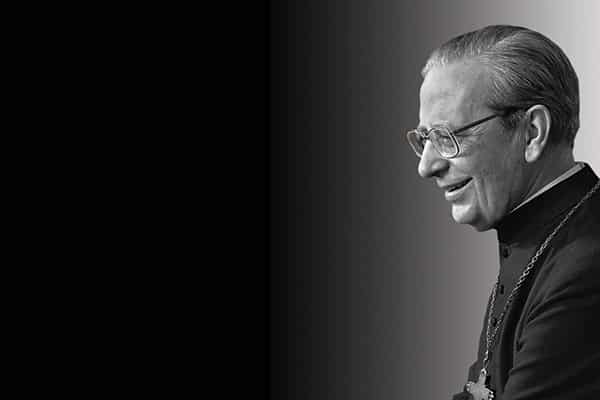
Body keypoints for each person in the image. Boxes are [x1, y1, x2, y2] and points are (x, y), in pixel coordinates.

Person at [407, 25, 600, 400]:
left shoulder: (585, 266)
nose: (426, 166)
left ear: (532, 133)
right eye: (425, 139)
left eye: (447, 136)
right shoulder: (541, 237)